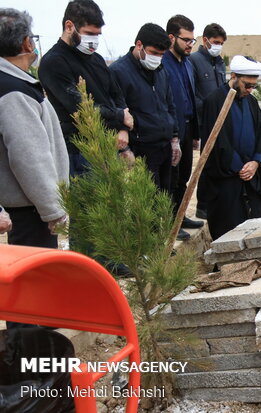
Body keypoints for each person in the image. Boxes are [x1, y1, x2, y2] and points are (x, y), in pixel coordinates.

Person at [38, 0, 133, 177]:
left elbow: (116, 95)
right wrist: (120, 115)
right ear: (69, 26)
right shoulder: (54, 62)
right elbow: (80, 107)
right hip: (79, 151)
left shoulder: (96, 59)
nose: (94, 41)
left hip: (109, 146)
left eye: (98, 35)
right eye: (89, 33)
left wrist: (122, 128)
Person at [0, 8, 69, 250]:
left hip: (29, 207)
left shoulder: (15, 83)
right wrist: (53, 210)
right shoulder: (14, 92)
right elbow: (29, 158)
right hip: (30, 211)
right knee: (35, 280)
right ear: (26, 42)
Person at [201, 55, 261, 241]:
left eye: (253, 86)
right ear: (233, 76)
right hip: (226, 177)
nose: (250, 89)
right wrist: (239, 167)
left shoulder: (251, 102)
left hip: (250, 175)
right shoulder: (214, 101)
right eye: (247, 85)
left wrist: (256, 161)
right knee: (227, 229)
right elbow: (215, 143)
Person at [110, 23, 178, 192]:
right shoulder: (118, 72)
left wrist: (174, 138)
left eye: (161, 55)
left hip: (164, 146)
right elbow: (117, 111)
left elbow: (170, 105)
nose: (157, 58)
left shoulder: (161, 71)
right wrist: (124, 149)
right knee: (147, 202)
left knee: (165, 198)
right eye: (154, 53)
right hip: (141, 149)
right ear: (139, 45)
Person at [162, 14, 203, 241]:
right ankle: (170, 224)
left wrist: (195, 133)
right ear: (171, 37)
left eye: (192, 40)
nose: (190, 44)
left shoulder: (187, 64)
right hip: (171, 132)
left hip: (187, 128)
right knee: (171, 177)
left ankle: (180, 215)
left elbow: (191, 98)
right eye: (186, 40)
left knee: (184, 175)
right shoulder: (163, 64)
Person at [190, 22, 227, 220]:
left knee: (219, 161)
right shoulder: (194, 60)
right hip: (205, 120)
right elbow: (193, 93)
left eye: (221, 43)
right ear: (205, 40)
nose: (218, 46)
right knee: (206, 163)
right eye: (215, 42)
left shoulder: (219, 62)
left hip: (221, 119)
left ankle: (216, 201)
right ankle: (202, 205)